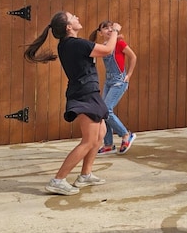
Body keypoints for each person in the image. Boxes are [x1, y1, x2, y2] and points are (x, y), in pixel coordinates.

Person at [24, 11, 122, 196]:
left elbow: (95, 49)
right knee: (89, 140)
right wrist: (115, 31)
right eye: (72, 17)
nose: (77, 16)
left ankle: (85, 174)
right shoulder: (75, 44)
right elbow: (108, 50)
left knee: (100, 133)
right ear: (68, 27)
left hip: (89, 92)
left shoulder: (70, 45)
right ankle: (58, 180)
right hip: (84, 94)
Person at [89, 21, 137, 155]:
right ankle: (109, 145)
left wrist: (129, 74)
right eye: (105, 28)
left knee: (107, 110)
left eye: (111, 27)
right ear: (100, 33)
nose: (109, 30)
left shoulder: (120, 43)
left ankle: (126, 134)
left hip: (119, 81)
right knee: (102, 112)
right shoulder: (103, 46)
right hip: (109, 81)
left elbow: (133, 57)